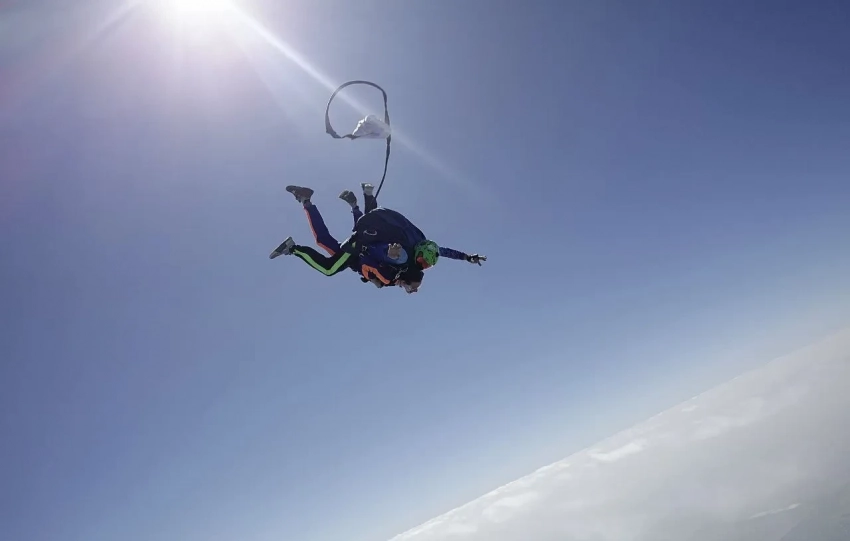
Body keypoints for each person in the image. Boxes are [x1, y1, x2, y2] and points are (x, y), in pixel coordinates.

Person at [269, 185, 407, 289]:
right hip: (356, 254)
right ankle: (292, 248)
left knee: (323, 240)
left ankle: (306, 200)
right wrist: (374, 280)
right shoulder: (394, 275)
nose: (411, 290)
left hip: (356, 255)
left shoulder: (394, 277)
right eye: (411, 288)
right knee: (329, 269)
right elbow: (371, 261)